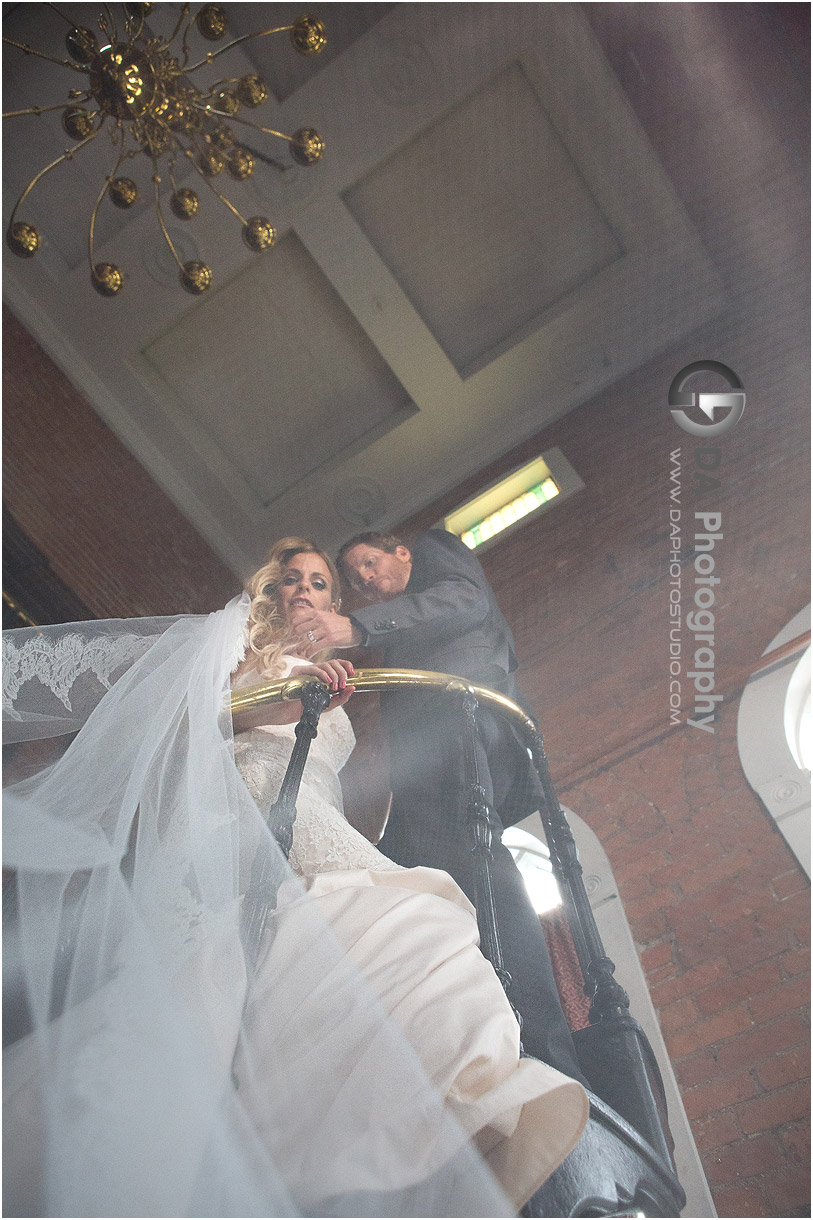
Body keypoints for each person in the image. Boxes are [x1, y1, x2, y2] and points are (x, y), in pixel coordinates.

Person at [2, 537, 587, 1218]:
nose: (304, 592)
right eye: (290, 581)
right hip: (251, 806)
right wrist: (277, 702)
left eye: (318, 583)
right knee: (406, 928)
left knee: (407, 940)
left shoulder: (337, 673)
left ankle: (384, 1133)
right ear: (269, 594)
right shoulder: (236, 652)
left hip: (312, 809)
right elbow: (187, 724)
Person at [293, 528, 587, 1085]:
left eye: (371, 564)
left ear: (402, 551)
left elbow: (465, 601)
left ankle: (543, 1045)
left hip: (466, 722)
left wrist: (356, 627)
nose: (369, 581)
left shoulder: (433, 553)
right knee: (405, 872)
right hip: (424, 759)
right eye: (357, 581)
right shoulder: (401, 624)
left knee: (478, 863)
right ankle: (456, 1036)